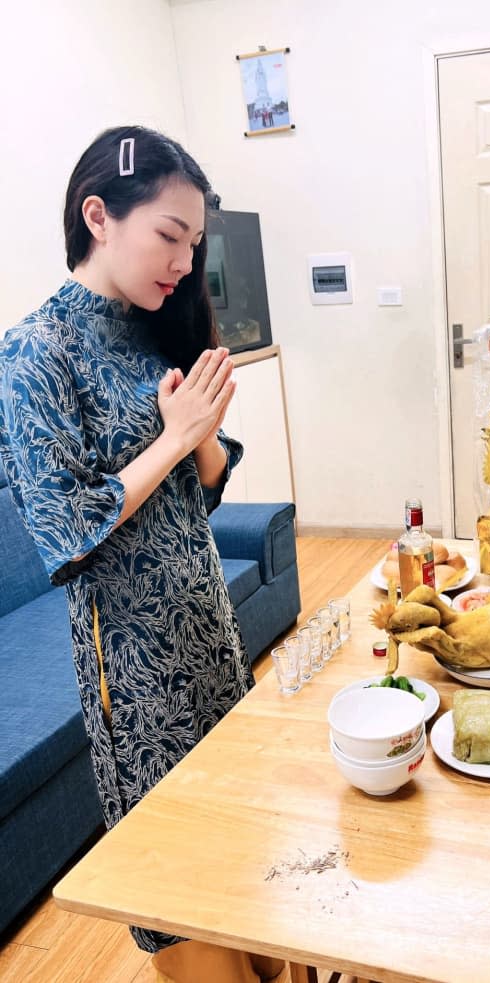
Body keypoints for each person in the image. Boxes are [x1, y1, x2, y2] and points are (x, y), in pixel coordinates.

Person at [0, 126, 284, 983]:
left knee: (264, 914)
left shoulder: (150, 325)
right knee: (198, 925)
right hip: (139, 680)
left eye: (193, 243)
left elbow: (203, 483)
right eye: (170, 235)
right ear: (99, 216)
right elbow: (66, 532)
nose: (184, 261)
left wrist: (200, 440)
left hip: (212, 643)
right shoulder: (31, 355)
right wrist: (175, 437)